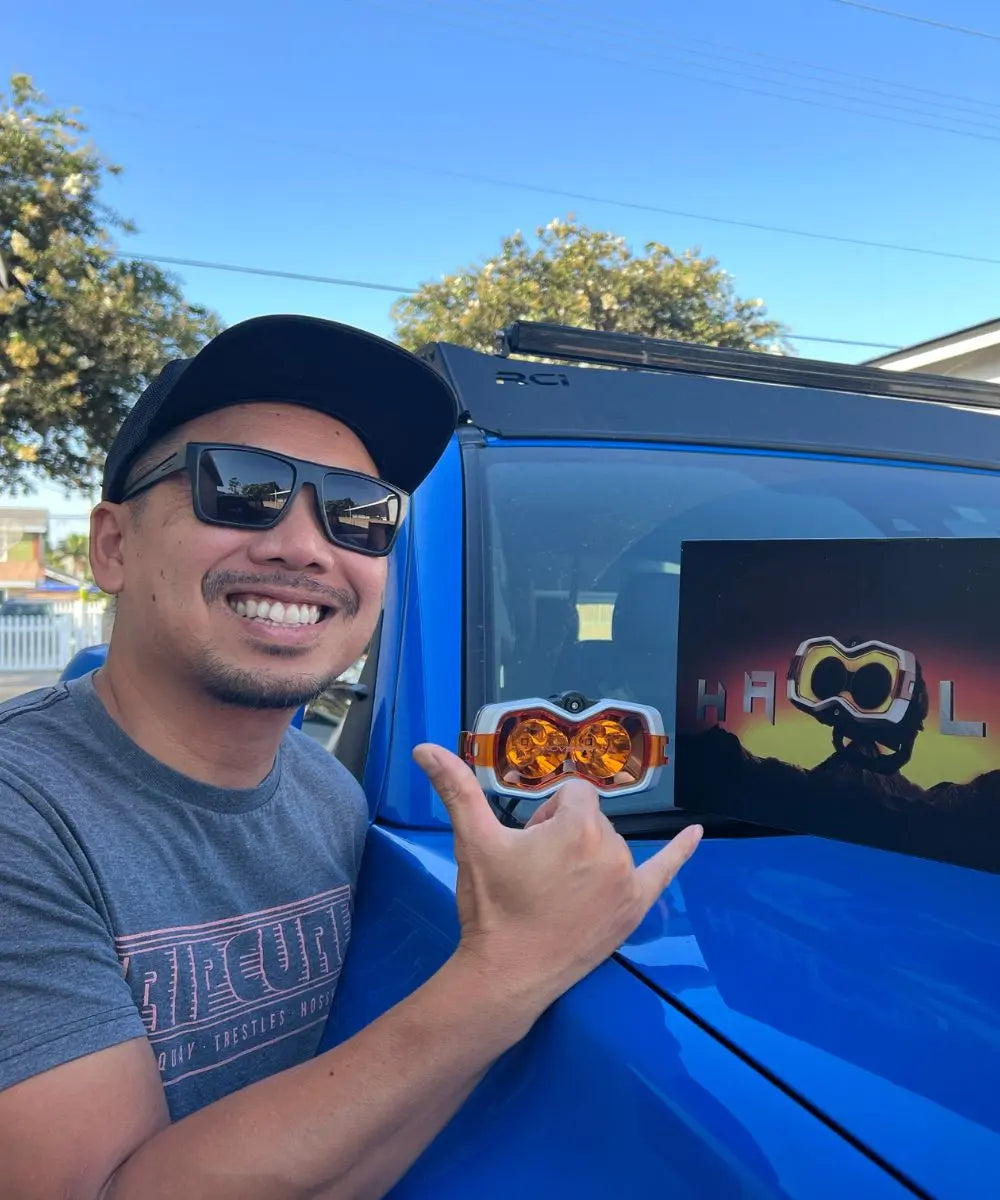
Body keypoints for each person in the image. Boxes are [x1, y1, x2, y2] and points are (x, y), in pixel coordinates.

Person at [0, 315, 702, 1200]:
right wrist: (509, 969)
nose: (304, 546)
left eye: (359, 514)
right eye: (241, 488)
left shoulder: (326, 794)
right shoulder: (22, 813)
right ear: (113, 544)